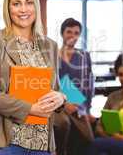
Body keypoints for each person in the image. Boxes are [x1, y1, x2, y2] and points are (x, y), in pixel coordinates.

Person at [0, 0, 65, 155]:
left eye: (29, 2)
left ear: (36, 6)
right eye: (17, 4)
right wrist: (31, 109)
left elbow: (55, 89)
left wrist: (61, 98)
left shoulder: (50, 46)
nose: (24, 9)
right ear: (8, 9)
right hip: (6, 143)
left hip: (41, 142)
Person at [54, 18, 95, 155]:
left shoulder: (84, 55)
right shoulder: (53, 55)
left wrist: (87, 110)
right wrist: (64, 104)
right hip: (58, 105)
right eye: (69, 32)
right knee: (64, 128)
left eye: (76, 33)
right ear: (62, 33)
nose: (73, 36)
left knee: (88, 138)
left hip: (79, 105)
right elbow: (50, 84)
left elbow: (89, 84)